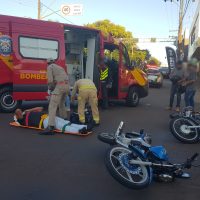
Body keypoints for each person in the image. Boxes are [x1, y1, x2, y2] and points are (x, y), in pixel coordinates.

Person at [42, 58, 69, 134]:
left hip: (59, 86)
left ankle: (50, 127)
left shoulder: (50, 67)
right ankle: (65, 120)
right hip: (67, 86)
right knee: (61, 104)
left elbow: (50, 80)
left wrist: (50, 89)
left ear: (48, 63)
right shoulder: (60, 67)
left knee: (52, 106)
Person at [14, 107, 89, 134]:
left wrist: (29, 110)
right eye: (19, 112)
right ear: (17, 116)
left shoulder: (27, 112)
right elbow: (17, 112)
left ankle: (85, 126)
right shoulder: (21, 120)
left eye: (20, 111)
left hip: (48, 116)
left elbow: (40, 108)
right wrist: (24, 112)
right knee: (62, 126)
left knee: (66, 122)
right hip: (44, 122)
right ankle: (79, 131)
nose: (20, 111)